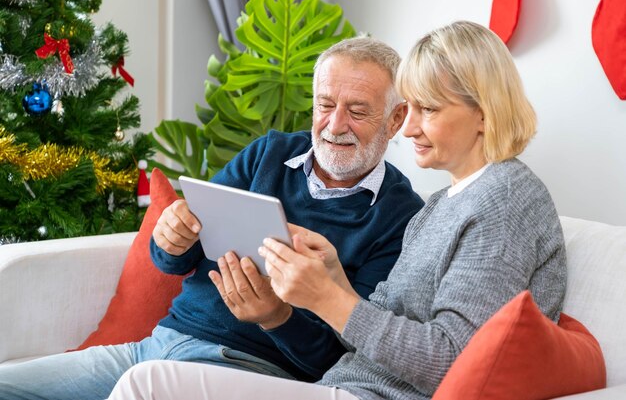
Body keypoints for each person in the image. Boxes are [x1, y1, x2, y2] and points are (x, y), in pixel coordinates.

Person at [106, 20, 568, 400]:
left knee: (149, 385)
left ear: (483, 113)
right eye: (325, 105)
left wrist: (322, 300)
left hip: (355, 393)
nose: (409, 130)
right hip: (338, 383)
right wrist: (334, 276)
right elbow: (378, 323)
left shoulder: (505, 200)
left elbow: (451, 359)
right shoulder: (442, 206)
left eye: (426, 110)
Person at [0, 37, 425, 400]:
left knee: (144, 386)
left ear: (396, 119)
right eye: (325, 104)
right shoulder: (269, 153)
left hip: (247, 372)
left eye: (357, 110)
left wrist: (276, 317)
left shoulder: (400, 217)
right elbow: (176, 256)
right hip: (154, 346)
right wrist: (169, 241)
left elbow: (347, 360)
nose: (334, 124)